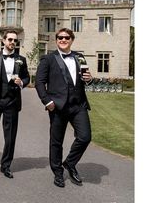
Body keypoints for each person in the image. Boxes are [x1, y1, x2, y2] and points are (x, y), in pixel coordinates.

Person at [35, 28, 92, 188]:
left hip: (78, 105)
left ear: (72, 39)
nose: (63, 39)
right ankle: (57, 172)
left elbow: (85, 79)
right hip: (58, 107)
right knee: (56, 141)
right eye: (60, 37)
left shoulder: (79, 57)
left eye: (67, 37)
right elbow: (39, 82)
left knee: (85, 137)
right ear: (56, 39)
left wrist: (89, 79)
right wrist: (47, 101)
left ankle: (70, 162)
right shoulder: (48, 59)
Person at [0, 29, 30, 178]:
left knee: (10, 135)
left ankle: (6, 165)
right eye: (9, 39)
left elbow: (27, 77)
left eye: (15, 40)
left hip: (12, 101)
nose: (12, 42)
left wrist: (22, 82)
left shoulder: (21, 59)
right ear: (3, 41)